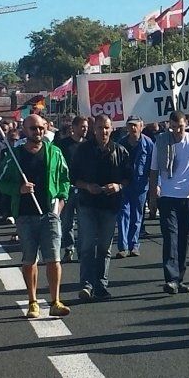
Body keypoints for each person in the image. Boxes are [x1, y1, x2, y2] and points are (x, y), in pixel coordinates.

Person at [0, 113, 71, 318]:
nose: (37, 132)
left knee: (54, 259)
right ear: (24, 130)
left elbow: (64, 179)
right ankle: (33, 301)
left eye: (40, 128)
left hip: (49, 213)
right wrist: (18, 189)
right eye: (33, 128)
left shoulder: (54, 152)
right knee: (30, 260)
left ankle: (56, 301)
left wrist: (61, 202)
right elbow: (1, 181)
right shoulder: (15, 155)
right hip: (25, 214)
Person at [70, 113, 130, 302]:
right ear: (93, 129)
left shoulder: (120, 151)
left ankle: (101, 286)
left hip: (109, 205)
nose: (103, 131)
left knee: (104, 247)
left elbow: (129, 177)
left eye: (106, 127)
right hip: (88, 203)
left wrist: (118, 186)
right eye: (99, 127)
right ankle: (87, 284)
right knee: (87, 245)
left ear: (112, 129)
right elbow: (72, 177)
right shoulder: (82, 150)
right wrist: (87, 186)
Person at [150, 111, 189, 295]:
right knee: (170, 237)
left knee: (185, 239)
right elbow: (153, 171)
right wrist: (153, 195)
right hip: (168, 197)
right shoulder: (161, 142)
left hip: (188, 197)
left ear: (187, 125)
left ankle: (180, 277)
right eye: (173, 127)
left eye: (180, 127)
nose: (176, 131)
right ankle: (171, 279)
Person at [116, 118, 153, 257]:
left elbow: (153, 166)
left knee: (137, 215)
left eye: (135, 126)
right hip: (124, 184)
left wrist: (157, 184)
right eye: (130, 125)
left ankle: (134, 245)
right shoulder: (121, 143)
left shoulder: (148, 143)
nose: (132, 128)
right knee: (123, 215)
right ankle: (123, 247)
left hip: (140, 184)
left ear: (141, 127)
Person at [56, 116, 88, 262]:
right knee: (67, 221)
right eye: (82, 126)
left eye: (86, 126)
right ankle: (69, 248)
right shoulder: (63, 145)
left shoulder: (89, 145)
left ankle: (82, 249)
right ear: (73, 128)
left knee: (83, 222)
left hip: (84, 189)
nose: (85, 129)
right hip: (67, 189)